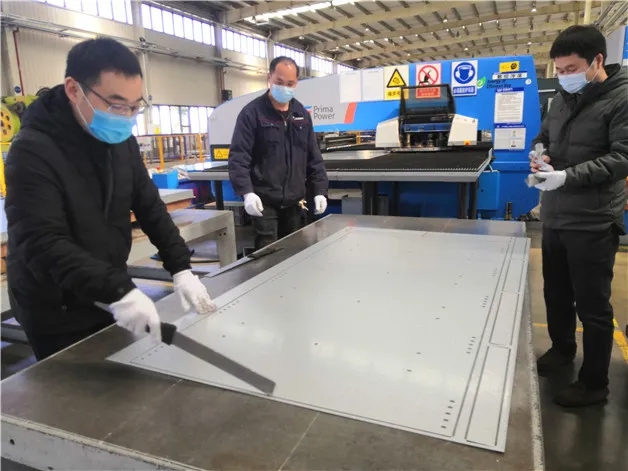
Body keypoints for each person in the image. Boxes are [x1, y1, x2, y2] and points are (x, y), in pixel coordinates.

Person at [4, 38, 216, 361]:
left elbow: (149, 205)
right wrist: (118, 289)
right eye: (116, 105)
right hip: (56, 308)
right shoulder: (32, 151)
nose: (126, 117)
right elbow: (42, 242)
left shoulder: (120, 142)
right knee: (74, 386)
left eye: (134, 107)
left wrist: (181, 268)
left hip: (106, 290)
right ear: (74, 90)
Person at [529, 25, 628, 407]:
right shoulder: (560, 99)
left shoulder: (621, 99)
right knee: (555, 293)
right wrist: (540, 155)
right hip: (556, 215)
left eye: (570, 69)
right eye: (559, 70)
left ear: (597, 61)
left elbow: (622, 157)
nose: (563, 76)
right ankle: (562, 349)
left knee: (593, 306)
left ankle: (594, 383)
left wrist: (568, 176)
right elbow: (543, 136)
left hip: (593, 221)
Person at [228, 56, 329, 249]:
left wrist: (320, 191)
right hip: (264, 201)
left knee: (295, 252)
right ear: (269, 78)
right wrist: (247, 193)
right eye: (279, 82)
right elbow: (239, 157)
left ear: (296, 82)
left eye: (290, 83)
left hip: (295, 202)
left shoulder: (301, 114)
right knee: (269, 253)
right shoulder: (252, 113)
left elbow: (313, 157)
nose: (284, 88)